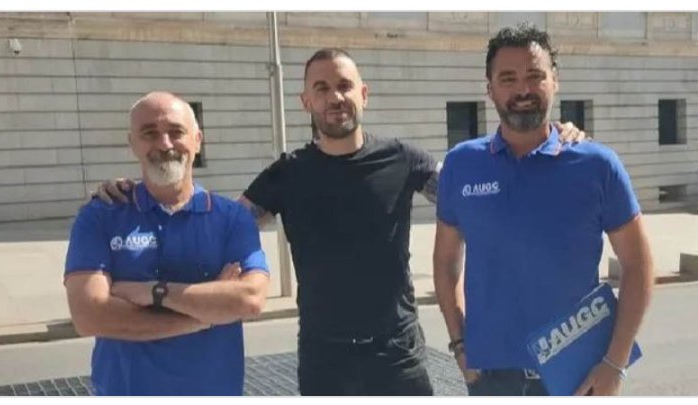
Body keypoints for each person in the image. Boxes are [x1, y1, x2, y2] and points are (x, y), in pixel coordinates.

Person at [94, 48, 585, 396]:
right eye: (322, 88)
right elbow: (217, 222)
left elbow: (487, 188)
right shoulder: (287, 174)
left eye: (345, 85)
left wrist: (553, 138)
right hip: (324, 358)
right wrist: (141, 188)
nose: (336, 97)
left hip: (398, 355)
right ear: (306, 101)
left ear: (364, 94)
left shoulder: (404, 161)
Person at [433, 24, 654, 396]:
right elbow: (445, 262)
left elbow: (639, 265)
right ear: (490, 90)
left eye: (535, 76)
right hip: (491, 379)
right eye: (508, 78)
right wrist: (459, 345)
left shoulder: (597, 165)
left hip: (577, 376)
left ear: (555, 81)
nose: (523, 89)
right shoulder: (461, 164)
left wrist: (614, 364)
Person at [64, 91, 270, 396]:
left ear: (198, 140)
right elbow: (89, 315)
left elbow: (249, 299)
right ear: (132, 142)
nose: (164, 144)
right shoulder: (99, 216)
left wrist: (151, 292)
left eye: (177, 132)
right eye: (150, 133)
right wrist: (202, 318)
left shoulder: (231, 218)